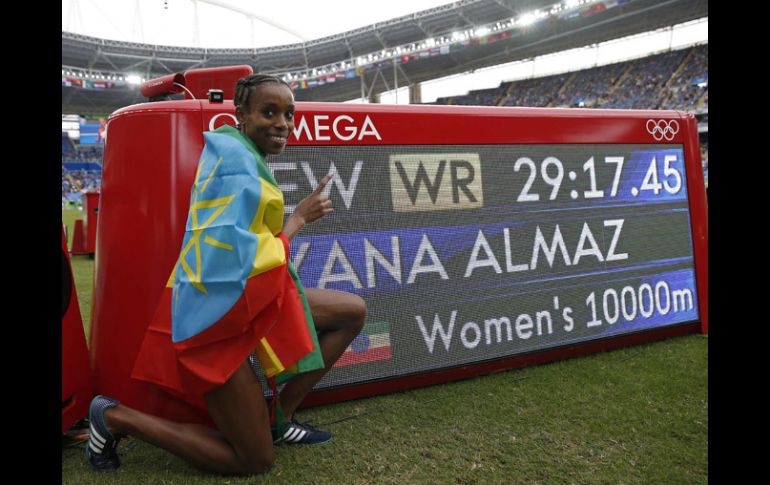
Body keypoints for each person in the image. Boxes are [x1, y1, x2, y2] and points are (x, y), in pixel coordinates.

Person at [86, 74, 366, 475]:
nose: (283, 123)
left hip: (238, 297)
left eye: (289, 113)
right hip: (215, 321)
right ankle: (114, 418)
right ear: (241, 114)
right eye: (269, 112)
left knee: (351, 312)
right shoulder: (235, 161)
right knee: (253, 461)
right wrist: (298, 220)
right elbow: (237, 260)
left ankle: (279, 420)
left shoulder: (239, 153)